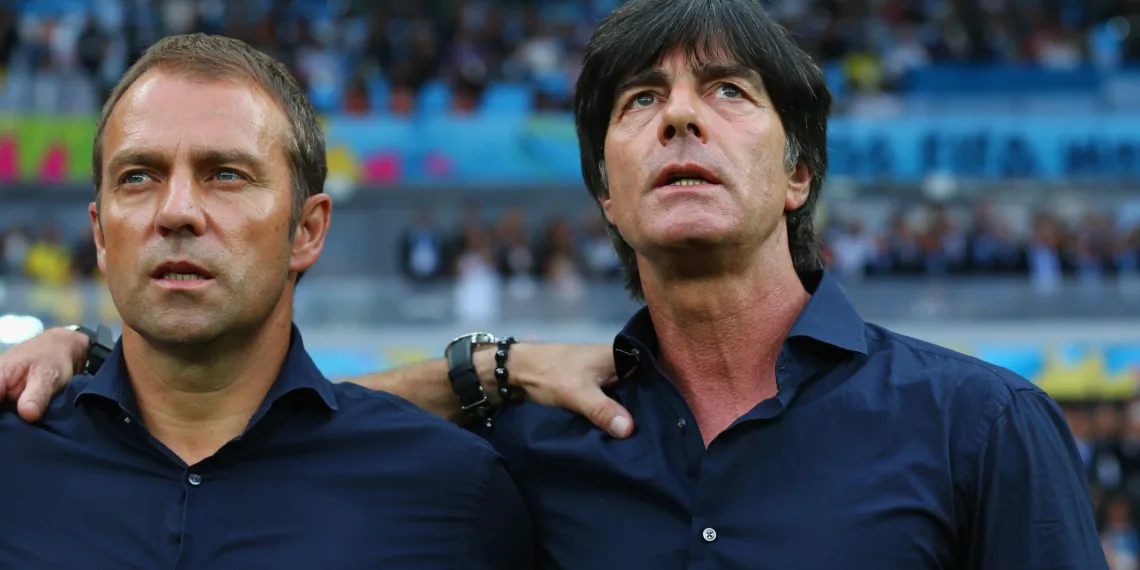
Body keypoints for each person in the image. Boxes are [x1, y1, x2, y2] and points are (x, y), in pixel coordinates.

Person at [1, 1, 1106, 569]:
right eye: (639, 102)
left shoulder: (981, 428)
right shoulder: (530, 457)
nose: (678, 115)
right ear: (606, 197)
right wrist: (88, 359)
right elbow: (281, 441)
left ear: (799, 172)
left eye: (727, 93)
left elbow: (296, 439)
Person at [0, 33, 535, 569]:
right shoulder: (13, 464)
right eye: (138, 176)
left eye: (225, 175)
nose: (176, 211)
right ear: (99, 234)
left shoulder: (450, 491)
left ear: (306, 230)